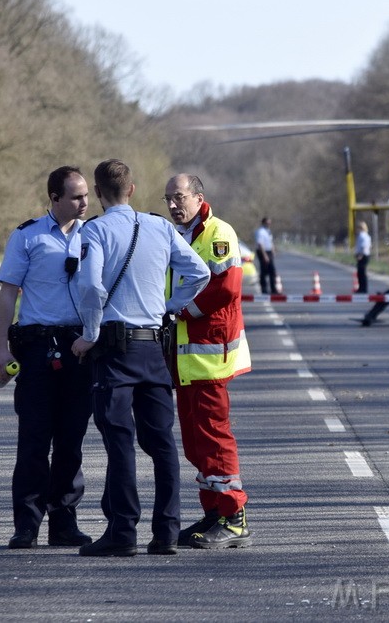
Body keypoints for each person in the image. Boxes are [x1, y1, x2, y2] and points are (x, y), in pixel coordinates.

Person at [71, 159, 210, 557]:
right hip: (154, 347)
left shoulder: (94, 231)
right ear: (131, 190)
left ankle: (122, 532)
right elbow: (200, 272)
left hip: (114, 350)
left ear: (98, 193)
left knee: (120, 442)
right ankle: (166, 532)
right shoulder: (160, 226)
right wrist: (168, 307)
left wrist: (89, 335)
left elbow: (92, 288)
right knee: (163, 443)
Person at [0, 166, 94, 550]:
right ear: (54, 198)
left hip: (80, 347)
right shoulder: (27, 236)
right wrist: (2, 348)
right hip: (38, 348)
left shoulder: (95, 233)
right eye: (76, 196)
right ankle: (27, 525)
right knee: (34, 440)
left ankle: (64, 522)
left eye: (86, 195)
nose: (84, 202)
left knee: (71, 440)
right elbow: (7, 295)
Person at [163, 174, 253, 549]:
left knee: (214, 438)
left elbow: (228, 286)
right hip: (186, 358)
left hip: (210, 356)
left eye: (179, 198)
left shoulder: (218, 233)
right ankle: (214, 511)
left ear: (199, 198)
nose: (172, 205)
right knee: (196, 443)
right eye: (168, 198)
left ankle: (233, 517)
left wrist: (185, 311)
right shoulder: (179, 234)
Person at [254, 217, 277, 294]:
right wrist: (265, 255)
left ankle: (273, 289)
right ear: (263, 223)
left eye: (270, 223)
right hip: (263, 252)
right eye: (267, 223)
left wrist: (273, 250)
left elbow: (270, 241)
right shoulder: (260, 232)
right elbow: (260, 244)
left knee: (272, 271)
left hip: (269, 251)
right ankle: (264, 289)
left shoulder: (268, 231)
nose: (269, 225)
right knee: (264, 270)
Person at [354, 221, 371, 294]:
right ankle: (361, 288)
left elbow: (364, 246)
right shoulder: (365, 235)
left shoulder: (362, 235)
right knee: (360, 272)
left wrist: (360, 255)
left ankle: (363, 288)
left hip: (363, 255)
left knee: (362, 273)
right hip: (364, 255)